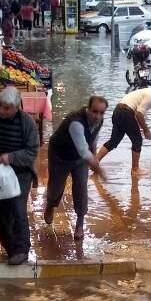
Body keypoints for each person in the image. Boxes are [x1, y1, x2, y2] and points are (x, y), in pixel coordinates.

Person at [0, 86, 39, 265]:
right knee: (1, 210)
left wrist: (11, 157)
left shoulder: (27, 123)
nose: (2, 110)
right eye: (1, 106)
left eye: (7, 108)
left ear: (17, 107)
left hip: (21, 173)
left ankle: (22, 249)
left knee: (17, 209)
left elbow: (32, 151)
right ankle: (9, 248)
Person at [44, 96, 108, 240]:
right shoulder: (76, 123)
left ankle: (80, 223)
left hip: (79, 158)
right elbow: (83, 150)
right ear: (88, 109)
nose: (97, 116)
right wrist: (98, 168)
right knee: (56, 187)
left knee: (81, 186)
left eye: (101, 113)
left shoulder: (100, 121)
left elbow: (92, 142)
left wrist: (94, 156)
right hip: (60, 154)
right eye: (95, 112)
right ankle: (50, 204)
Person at [97, 81, 151, 172]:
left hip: (118, 111)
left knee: (113, 141)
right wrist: (146, 129)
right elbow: (139, 114)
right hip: (125, 112)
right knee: (137, 140)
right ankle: (135, 170)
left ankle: (95, 161)